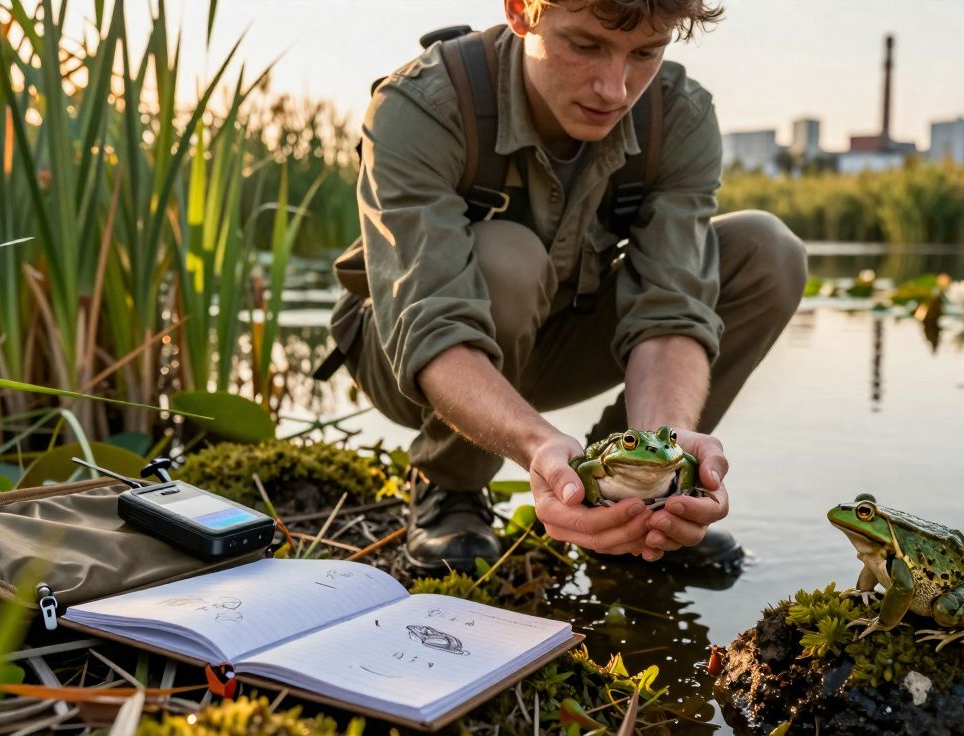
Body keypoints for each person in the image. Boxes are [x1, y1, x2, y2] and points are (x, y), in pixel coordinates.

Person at [328, 0, 808, 575]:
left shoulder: (678, 116)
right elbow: (432, 325)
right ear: (519, 11)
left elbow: (670, 310)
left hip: (557, 338)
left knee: (769, 251)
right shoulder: (421, 104)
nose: (614, 88)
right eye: (585, 46)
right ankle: (449, 485)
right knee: (510, 257)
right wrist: (542, 452)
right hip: (410, 354)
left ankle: (625, 496)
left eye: (645, 54)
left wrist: (666, 453)